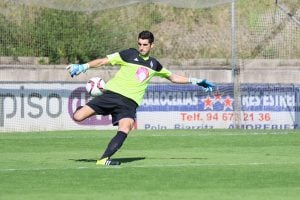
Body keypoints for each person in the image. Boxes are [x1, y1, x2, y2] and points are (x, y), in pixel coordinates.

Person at [66, 30, 215, 166]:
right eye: (139, 44)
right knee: (78, 117)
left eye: (145, 44)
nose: (141, 47)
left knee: (126, 127)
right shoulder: (128, 54)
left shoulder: (154, 64)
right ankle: (94, 110)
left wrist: (195, 81)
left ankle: (103, 159)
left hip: (129, 103)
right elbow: (103, 61)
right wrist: (83, 67)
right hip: (112, 95)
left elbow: (173, 77)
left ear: (152, 45)